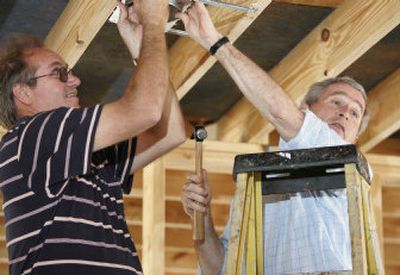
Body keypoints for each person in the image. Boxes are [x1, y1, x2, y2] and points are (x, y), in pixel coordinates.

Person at [179, 3, 370, 274]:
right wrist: (203, 216)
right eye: (336, 101)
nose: (345, 113)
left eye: (355, 112)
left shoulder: (352, 168)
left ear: (356, 137)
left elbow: (281, 113)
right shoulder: (257, 180)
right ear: (305, 111)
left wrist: (215, 42)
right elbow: (220, 268)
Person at [0, 0, 185, 274]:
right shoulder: (33, 135)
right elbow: (145, 110)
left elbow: (171, 132)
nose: (74, 80)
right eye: (59, 73)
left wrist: (141, 43)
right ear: (23, 93)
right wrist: (154, 24)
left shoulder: (78, 152)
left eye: (70, 72)